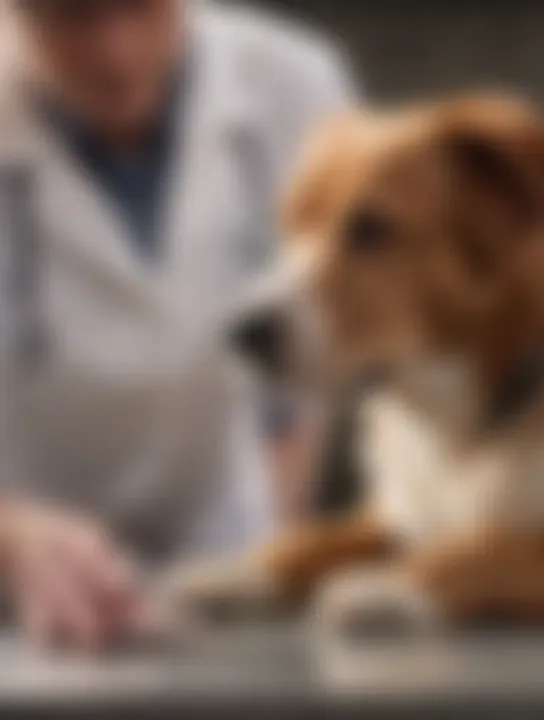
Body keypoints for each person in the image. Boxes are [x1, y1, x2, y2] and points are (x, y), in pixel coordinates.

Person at [0, 0, 353, 651]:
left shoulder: (293, 83)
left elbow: (298, 378)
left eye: (140, 10)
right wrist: (12, 536)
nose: (116, 56)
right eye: (67, 19)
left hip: (227, 574)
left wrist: (264, 557)